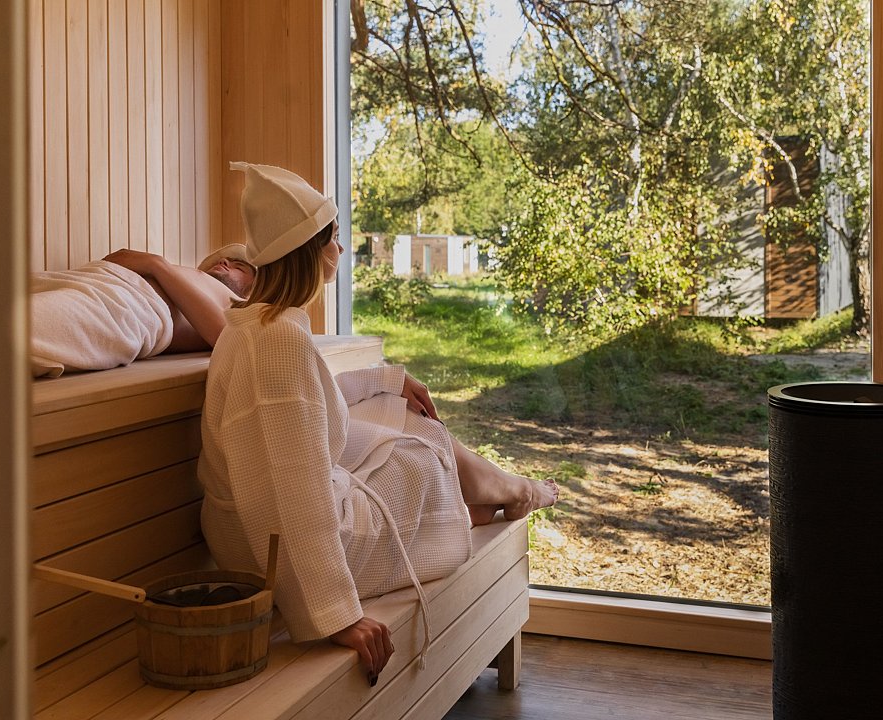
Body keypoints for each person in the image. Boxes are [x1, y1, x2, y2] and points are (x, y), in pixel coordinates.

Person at [197, 162, 558, 686]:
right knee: (421, 454)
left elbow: (307, 409)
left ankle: (489, 496)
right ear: (307, 251)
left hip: (244, 539)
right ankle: (500, 496)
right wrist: (337, 614)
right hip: (276, 555)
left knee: (392, 409)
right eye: (333, 239)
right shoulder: (280, 343)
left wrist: (388, 379)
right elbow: (295, 497)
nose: (341, 249)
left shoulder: (252, 327)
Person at [30, 244, 256, 377]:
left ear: (254, 290)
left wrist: (155, 264)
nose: (225, 261)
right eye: (225, 260)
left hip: (126, 305)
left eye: (239, 267)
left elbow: (224, 334)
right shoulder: (185, 279)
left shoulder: (243, 305)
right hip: (90, 277)